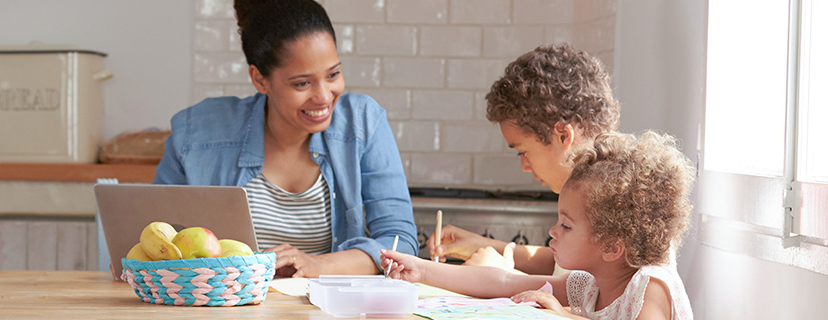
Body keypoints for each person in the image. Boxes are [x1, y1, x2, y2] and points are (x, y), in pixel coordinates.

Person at [152, 0, 416, 278]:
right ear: (260, 79)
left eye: (333, 74)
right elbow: (154, 235)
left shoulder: (362, 122)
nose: (324, 96)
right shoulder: (197, 132)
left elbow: (400, 243)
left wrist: (318, 265)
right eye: (302, 83)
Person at [382, 132, 695, 319]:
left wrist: (564, 316)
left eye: (566, 225)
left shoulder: (650, 285)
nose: (553, 232)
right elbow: (504, 282)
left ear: (612, 246)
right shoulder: (591, 285)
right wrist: (421, 269)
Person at [427, 43, 621, 275]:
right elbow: (563, 267)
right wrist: (483, 246)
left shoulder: (615, 209)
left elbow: (585, 303)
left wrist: (504, 278)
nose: (524, 166)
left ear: (563, 135)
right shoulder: (592, 188)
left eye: (523, 151)